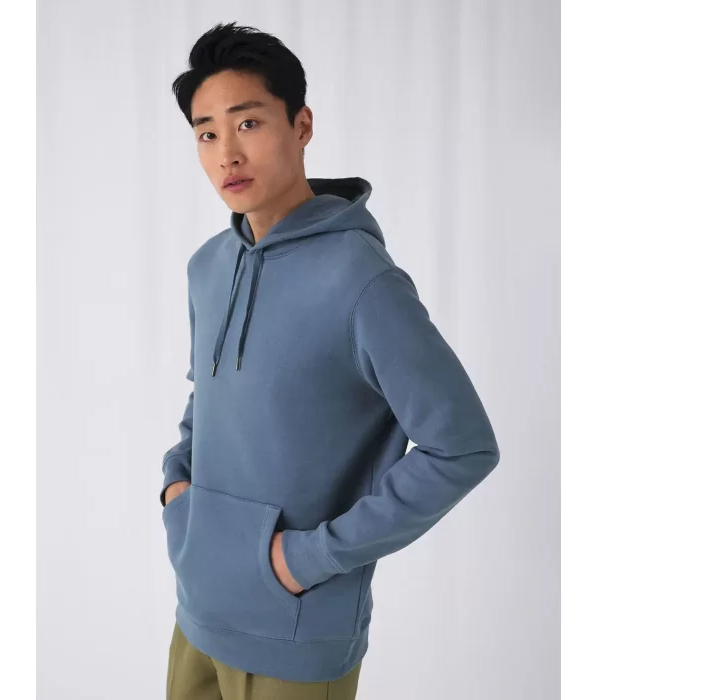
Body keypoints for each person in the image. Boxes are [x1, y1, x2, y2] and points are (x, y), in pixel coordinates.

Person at [160, 21, 500, 700]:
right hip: (196, 618)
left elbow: (462, 447)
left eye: (248, 123)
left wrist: (307, 557)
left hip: (294, 638)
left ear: (302, 125)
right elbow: (210, 396)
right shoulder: (207, 267)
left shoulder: (361, 281)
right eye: (206, 134)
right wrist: (177, 489)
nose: (228, 153)